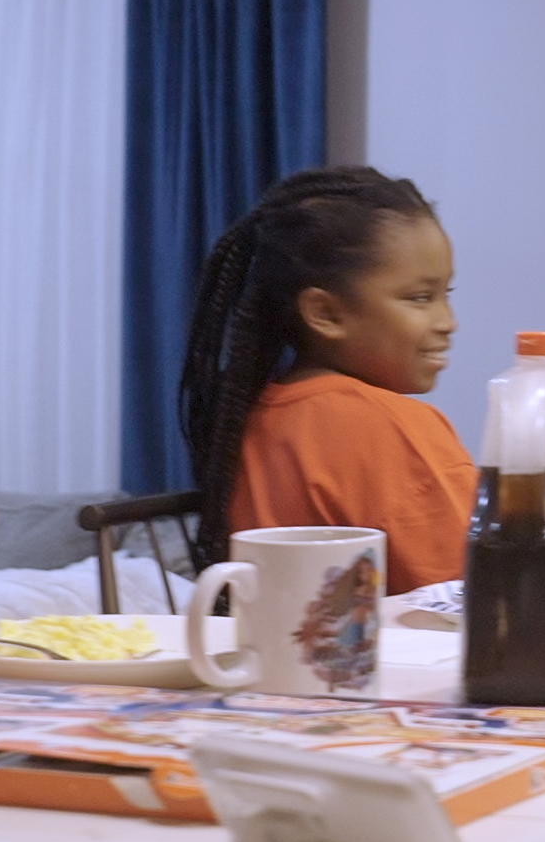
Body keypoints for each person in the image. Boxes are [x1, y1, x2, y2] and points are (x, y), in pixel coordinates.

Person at [178, 166, 475, 590]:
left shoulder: (255, 415)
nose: (448, 322)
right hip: (389, 657)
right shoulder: (388, 426)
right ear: (326, 314)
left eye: (446, 295)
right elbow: (487, 596)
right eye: (420, 298)